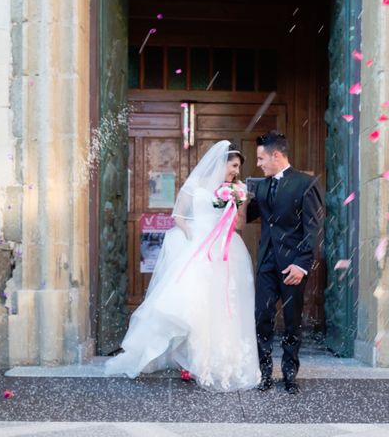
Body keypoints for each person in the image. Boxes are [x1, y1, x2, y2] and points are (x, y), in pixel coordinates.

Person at [104, 140, 260, 392]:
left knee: (218, 305)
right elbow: (178, 217)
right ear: (221, 163)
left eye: (238, 167)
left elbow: (239, 226)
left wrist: (237, 205)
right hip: (197, 247)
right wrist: (191, 233)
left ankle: (209, 360)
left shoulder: (236, 189)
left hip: (225, 250)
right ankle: (186, 356)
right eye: (233, 165)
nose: (236, 171)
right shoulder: (195, 186)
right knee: (189, 304)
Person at [247, 131, 323, 395]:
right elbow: (247, 215)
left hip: (292, 267)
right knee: (262, 318)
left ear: (276, 155)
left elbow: (313, 228)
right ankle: (264, 374)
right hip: (267, 263)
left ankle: (290, 375)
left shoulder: (306, 183)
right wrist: (230, 196)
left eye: (261, 158)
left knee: (292, 321)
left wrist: (302, 265)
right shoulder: (262, 186)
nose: (258, 164)